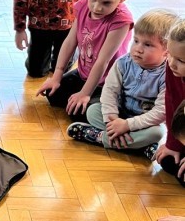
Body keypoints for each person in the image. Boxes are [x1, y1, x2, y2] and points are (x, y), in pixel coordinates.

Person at [67, 9, 177, 161]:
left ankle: (99, 137)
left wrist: (127, 125)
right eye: (136, 41)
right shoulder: (123, 63)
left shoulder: (168, 74)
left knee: (157, 133)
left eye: (147, 44)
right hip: (119, 114)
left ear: (167, 51)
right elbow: (109, 92)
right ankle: (141, 146)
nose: (138, 49)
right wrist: (111, 120)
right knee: (92, 111)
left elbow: (160, 112)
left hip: (143, 122)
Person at [36, 0, 133, 121]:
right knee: (53, 95)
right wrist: (57, 76)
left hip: (108, 82)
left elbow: (103, 61)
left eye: (106, 3)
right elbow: (70, 41)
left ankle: (115, 108)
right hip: (84, 73)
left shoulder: (121, 20)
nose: (97, 7)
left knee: (78, 112)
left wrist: (85, 93)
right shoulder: (82, 6)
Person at [156, 19, 185, 186]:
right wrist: (172, 144)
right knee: (168, 161)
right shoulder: (172, 67)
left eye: (181, 61)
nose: (172, 63)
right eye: (170, 54)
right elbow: (172, 103)